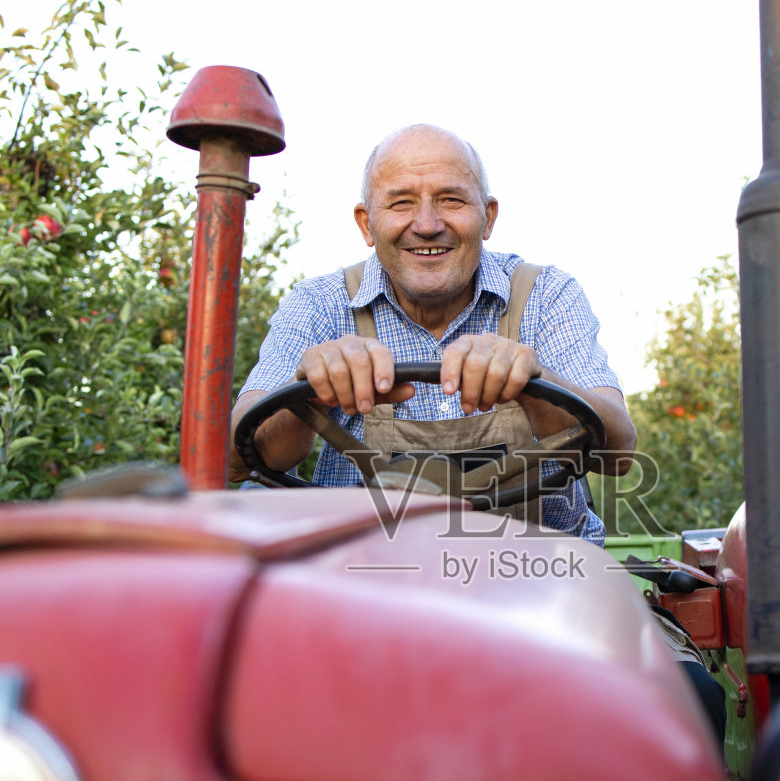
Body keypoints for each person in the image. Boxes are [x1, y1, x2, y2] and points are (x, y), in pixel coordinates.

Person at [228, 123, 635, 544]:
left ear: (488, 217)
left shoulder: (545, 294)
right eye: (401, 203)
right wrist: (311, 391)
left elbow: (619, 453)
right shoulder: (319, 304)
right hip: (364, 575)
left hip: (539, 574)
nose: (426, 224)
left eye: (451, 200)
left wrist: (536, 382)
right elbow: (238, 459)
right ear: (366, 224)